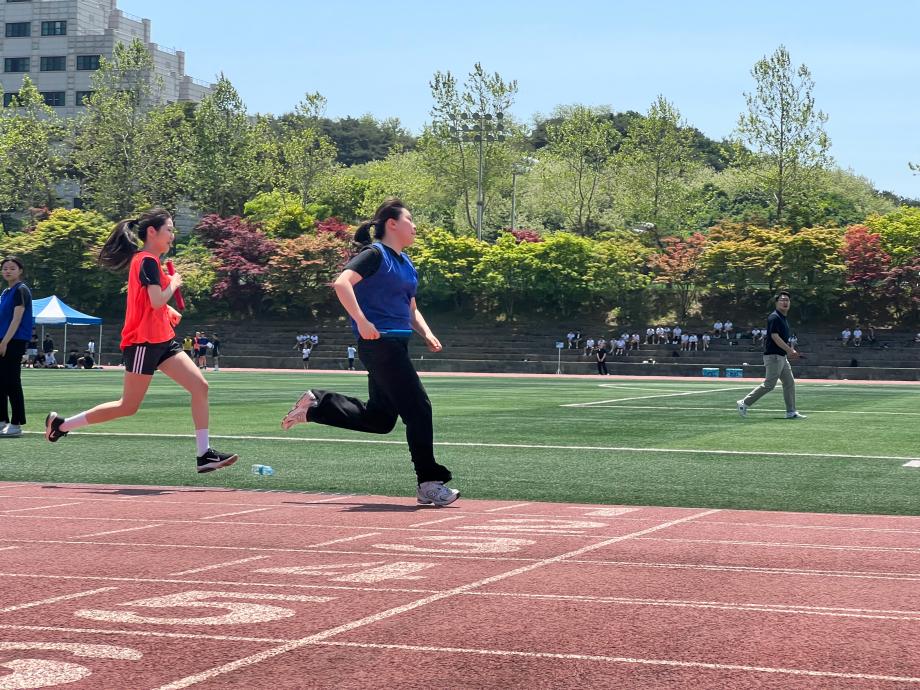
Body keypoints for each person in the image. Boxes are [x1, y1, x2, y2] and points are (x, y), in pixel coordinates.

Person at [280, 199, 458, 507]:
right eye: (410, 219)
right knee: (419, 409)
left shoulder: (406, 263)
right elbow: (342, 284)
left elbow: (410, 308)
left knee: (381, 419)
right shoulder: (375, 255)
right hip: (380, 344)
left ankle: (317, 404)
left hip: (396, 344)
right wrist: (362, 321)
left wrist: (427, 333)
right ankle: (429, 482)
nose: (415, 226)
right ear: (392, 224)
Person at [43, 208, 238, 474]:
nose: (172, 235)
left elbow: (149, 303)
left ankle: (204, 455)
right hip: (142, 343)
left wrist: (168, 310)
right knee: (128, 406)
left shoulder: (149, 262)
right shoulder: (146, 261)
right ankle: (62, 425)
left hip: (163, 341)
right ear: (152, 232)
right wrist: (175, 283)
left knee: (200, 387)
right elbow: (156, 300)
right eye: (169, 230)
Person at [737, 291, 806, 420]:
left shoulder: (783, 318)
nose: (785, 302)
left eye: (787, 300)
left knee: (789, 383)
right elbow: (775, 336)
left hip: (781, 356)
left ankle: (791, 412)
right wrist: (789, 351)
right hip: (773, 356)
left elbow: (782, 338)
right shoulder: (774, 317)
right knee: (769, 384)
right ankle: (744, 403)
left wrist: (789, 350)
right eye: (782, 300)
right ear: (776, 303)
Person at [0, 256, 34, 437]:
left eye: (12, 268)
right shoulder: (6, 292)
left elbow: (17, 318)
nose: (8, 271)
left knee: (12, 382)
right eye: (5, 268)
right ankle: (1, 421)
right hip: (2, 339)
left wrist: (5, 342)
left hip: (14, 340)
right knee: (0, 382)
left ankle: (16, 423)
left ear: (20, 271)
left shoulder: (21, 290)